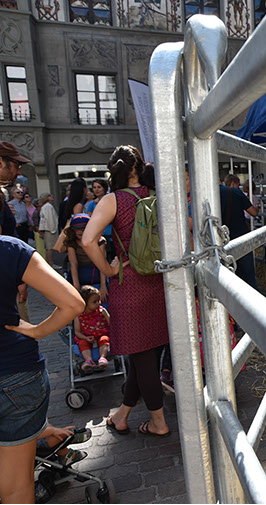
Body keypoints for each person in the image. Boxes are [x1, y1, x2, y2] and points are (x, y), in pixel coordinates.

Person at [82, 145, 171, 438]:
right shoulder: (158, 193)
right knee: (144, 356)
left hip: (129, 283)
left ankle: (158, 423)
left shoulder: (113, 200)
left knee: (143, 358)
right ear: (140, 166)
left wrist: (108, 271)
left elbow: (87, 240)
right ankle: (122, 414)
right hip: (160, 281)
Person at [0, 235, 85, 503]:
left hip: (15, 376)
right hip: (16, 374)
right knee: (16, 488)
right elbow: (73, 303)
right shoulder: (8, 249)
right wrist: (37, 331)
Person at [64, 213, 108, 300]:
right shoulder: (72, 243)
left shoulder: (99, 241)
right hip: (80, 275)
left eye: (83, 230)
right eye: (77, 230)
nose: (80, 232)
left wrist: (103, 285)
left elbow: (102, 264)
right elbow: (73, 264)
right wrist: (76, 285)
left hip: (97, 275)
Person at [74, 285, 111, 373]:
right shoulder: (79, 316)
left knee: (104, 339)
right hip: (86, 337)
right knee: (82, 343)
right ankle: (89, 360)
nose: (98, 303)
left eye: (99, 300)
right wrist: (85, 338)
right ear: (85, 303)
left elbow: (111, 324)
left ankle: (102, 358)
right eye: (95, 302)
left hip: (101, 334)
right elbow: (77, 332)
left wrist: (106, 315)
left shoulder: (101, 311)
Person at [84, 178, 114, 261]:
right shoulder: (91, 204)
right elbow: (90, 221)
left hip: (112, 236)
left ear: (104, 188)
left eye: (99, 187)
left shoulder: (111, 200)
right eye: (94, 187)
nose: (96, 190)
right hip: (98, 237)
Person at [38, 192, 58, 267]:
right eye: (49, 195)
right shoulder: (48, 206)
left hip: (48, 229)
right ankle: (51, 264)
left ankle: (50, 263)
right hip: (50, 230)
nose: (51, 196)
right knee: (50, 248)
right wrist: (53, 229)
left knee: (49, 248)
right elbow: (50, 219)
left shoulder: (45, 206)